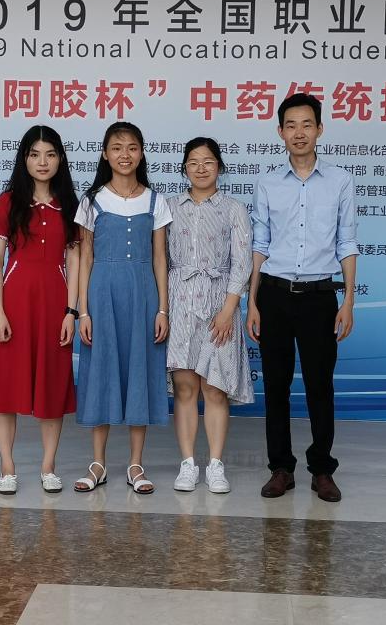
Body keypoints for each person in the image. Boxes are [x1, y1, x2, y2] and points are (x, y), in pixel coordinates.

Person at [246, 93, 358, 502]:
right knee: (276, 386)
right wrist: (252, 302)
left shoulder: (340, 181)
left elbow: (347, 242)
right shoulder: (267, 183)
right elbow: (260, 244)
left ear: (319, 129)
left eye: (306, 124)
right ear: (280, 132)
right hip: (274, 295)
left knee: (319, 386)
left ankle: (322, 469)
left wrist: (348, 302)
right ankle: (281, 468)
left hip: (319, 298)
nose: (299, 132)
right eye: (291, 125)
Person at [73, 122, 172, 495]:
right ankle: (97, 463)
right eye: (117, 147)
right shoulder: (92, 200)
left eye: (132, 147)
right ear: (105, 154)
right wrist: (83, 311)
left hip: (144, 294)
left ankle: (135, 464)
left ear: (142, 153)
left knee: (139, 372)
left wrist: (162, 309)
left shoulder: (155, 200)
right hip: (102, 294)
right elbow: (85, 257)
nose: (124, 154)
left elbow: (160, 258)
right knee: (101, 370)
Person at [0, 125, 81, 495]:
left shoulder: (70, 204)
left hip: (55, 304)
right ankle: (7, 466)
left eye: (50, 154)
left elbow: (74, 261)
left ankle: (48, 466)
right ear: (24, 158)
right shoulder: (8, 202)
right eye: (35, 154)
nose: (43, 162)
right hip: (15, 302)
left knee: (52, 384)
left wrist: (71, 311)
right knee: (5, 387)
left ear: (60, 159)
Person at [166, 137, 254, 494]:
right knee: (185, 388)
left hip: (220, 306)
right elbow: (161, 260)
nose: (200, 168)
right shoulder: (170, 207)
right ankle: (188, 464)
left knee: (215, 388)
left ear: (219, 166)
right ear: (184, 168)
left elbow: (242, 262)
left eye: (207, 161)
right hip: (180, 305)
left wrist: (229, 310)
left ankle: (216, 465)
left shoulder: (234, 209)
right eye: (193, 162)